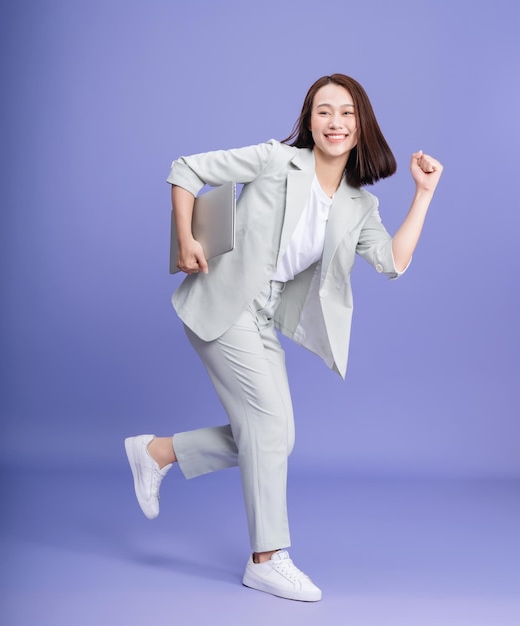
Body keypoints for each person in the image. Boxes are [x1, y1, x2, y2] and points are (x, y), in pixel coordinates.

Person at [125, 73, 443, 602]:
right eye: (323, 111)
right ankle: (267, 558)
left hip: (264, 318)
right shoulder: (277, 160)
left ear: (361, 125)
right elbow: (186, 169)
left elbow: (393, 263)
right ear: (308, 120)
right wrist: (184, 238)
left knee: (277, 436)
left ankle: (158, 452)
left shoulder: (358, 205)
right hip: (223, 302)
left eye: (346, 113)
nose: (334, 122)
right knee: (269, 431)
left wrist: (424, 194)